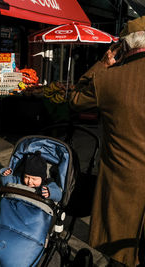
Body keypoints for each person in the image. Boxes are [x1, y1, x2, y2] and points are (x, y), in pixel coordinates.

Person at [70, 16, 145, 267]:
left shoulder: (109, 79)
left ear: (123, 46)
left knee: (119, 257)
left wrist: (103, 63)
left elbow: (76, 98)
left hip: (122, 188)